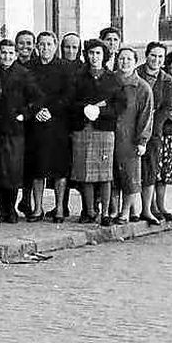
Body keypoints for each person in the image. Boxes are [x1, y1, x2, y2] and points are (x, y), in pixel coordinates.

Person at [68, 39, 122, 224]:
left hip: (104, 129)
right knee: (86, 172)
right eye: (91, 53)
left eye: (98, 53)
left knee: (104, 173)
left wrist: (101, 110)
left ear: (104, 55)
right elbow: (70, 101)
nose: (94, 57)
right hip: (83, 128)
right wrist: (85, 107)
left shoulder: (112, 78)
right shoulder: (78, 77)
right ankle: (89, 210)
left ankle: (105, 212)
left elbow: (119, 105)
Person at [23, 32, 72, 222]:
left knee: (59, 167)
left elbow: (68, 95)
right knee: (37, 167)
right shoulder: (29, 68)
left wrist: (51, 111)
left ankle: (59, 207)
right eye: (41, 44)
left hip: (58, 123)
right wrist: (37, 110)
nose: (45, 48)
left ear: (55, 45)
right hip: (36, 123)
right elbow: (27, 95)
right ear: (36, 46)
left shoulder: (64, 68)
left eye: (49, 44)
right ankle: (37, 208)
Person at [139, 44, 172, 224]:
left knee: (153, 169)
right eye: (153, 55)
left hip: (155, 131)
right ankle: (134, 209)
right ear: (146, 55)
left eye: (160, 57)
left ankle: (151, 208)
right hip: (135, 128)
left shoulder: (168, 81)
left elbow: (166, 108)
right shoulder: (137, 74)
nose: (156, 60)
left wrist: (152, 128)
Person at [110, 46, 154, 225]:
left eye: (129, 59)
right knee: (111, 176)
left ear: (135, 63)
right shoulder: (110, 81)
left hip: (130, 138)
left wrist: (142, 140)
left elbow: (146, 115)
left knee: (130, 176)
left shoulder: (142, 87)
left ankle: (125, 211)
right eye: (121, 58)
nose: (124, 62)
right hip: (110, 135)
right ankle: (113, 210)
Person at [0, 39, 32, 223]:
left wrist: (24, 114)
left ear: (15, 54)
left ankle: (12, 209)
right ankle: (1, 210)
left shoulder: (23, 73)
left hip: (15, 128)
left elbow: (36, 98)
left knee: (13, 169)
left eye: (10, 53)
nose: (6, 56)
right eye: (3, 52)